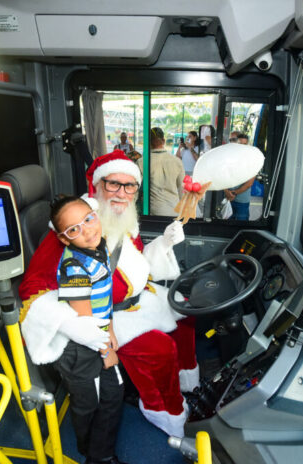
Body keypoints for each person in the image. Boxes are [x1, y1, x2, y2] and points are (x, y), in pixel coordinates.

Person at [19, 150, 198, 438]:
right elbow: (32, 290)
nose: (121, 193)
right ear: (98, 186)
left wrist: (164, 243)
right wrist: (80, 327)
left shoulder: (120, 218)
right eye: (113, 184)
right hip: (108, 312)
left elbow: (135, 261)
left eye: (129, 186)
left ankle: (188, 385)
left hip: (138, 297)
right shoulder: (73, 229)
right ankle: (164, 411)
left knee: (188, 315)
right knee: (160, 349)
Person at [49, 195, 125, 464]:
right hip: (80, 350)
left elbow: (104, 299)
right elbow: (85, 322)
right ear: (64, 238)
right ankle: (94, 454)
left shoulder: (98, 247)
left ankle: (98, 449)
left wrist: (111, 328)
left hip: (99, 336)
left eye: (88, 219)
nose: (87, 230)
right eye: (74, 230)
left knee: (114, 392)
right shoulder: (74, 267)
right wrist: (106, 351)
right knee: (87, 404)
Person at [149, 127, 185, 216]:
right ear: (164, 141)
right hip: (175, 211)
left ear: (149, 142)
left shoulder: (143, 162)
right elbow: (182, 189)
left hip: (153, 214)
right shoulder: (177, 161)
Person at [223, 133, 255, 221]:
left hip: (241, 201)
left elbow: (249, 183)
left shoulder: (252, 160)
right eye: (240, 144)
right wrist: (226, 191)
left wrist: (233, 193)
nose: (242, 147)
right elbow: (221, 176)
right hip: (227, 198)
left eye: (245, 144)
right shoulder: (227, 158)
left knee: (241, 225)